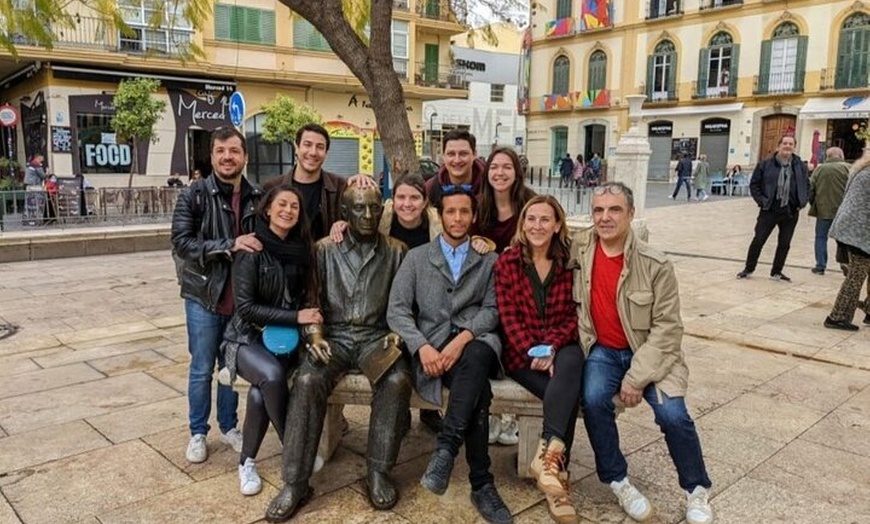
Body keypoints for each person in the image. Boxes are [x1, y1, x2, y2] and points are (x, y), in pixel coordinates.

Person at [266, 185, 412, 521]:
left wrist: (397, 333)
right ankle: (296, 482)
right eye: (359, 209)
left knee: (398, 380)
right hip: (335, 336)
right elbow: (310, 300)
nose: (368, 216)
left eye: (375, 209)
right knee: (305, 380)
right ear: (344, 215)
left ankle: (378, 470)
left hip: (378, 336)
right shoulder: (323, 250)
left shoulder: (397, 251)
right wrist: (314, 335)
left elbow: (406, 304)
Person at [574, 182, 713, 524]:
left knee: (673, 415)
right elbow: (535, 236)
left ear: (631, 214)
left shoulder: (656, 264)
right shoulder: (579, 250)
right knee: (592, 401)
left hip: (651, 354)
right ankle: (618, 481)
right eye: (598, 210)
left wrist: (636, 379)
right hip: (604, 352)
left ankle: (696, 489)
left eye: (614, 210)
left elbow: (668, 330)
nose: (605, 218)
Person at [388, 186, 513, 524]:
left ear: (473, 216)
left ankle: (446, 448)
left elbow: (492, 309)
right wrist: (422, 346)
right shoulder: (417, 258)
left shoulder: (489, 259)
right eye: (451, 212)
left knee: (474, 354)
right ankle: (481, 483)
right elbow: (397, 311)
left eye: (464, 212)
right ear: (439, 215)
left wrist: (462, 339)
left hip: (476, 341)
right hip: (432, 350)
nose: (457, 219)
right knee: (477, 392)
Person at [220, 184, 321, 495]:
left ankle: (246, 462)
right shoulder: (252, 250)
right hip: (246, 339)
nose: (288, 210)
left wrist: (305, 322)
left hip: (285, 340)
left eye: (294, 206)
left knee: (258, 395)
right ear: (267, 209)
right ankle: (294, 446)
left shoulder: (303, 251)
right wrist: (296, 317)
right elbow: (247, 309)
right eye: (282, 204)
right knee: (272, 375)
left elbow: (307, 297)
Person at [170, 126, 262, 464]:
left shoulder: (256, 196)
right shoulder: (193, 195)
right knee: (202, 367)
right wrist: (228, 245)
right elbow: (181, 242)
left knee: (232, 366)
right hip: (204, 298)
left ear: (245, 157)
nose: (227, 157)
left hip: (242, 300)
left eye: (234, 151)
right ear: (212, 156)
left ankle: (229, 425)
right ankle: (197, 432)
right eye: (221, 150)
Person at [330, 173, 444, 433]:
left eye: (415, 197)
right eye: (401, 197)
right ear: (393, 200)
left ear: (425, 201)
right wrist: (341, 224)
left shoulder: (437, 227)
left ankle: (428, 409)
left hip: (425, 304)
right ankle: (397, 413)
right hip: (391, 307)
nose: (407, 204)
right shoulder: (381, 220)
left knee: (425, 344)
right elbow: (359, 220)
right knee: (395, 357)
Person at [495, 195, 582, 524]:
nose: (537, 226)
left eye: (545, 220)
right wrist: (536, 350)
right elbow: (507, 318)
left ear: (557, 224)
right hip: (520, 355)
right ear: (522, 224)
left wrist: (553, 348)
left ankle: (549, 457)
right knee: (568, 392)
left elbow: (575, 316)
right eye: (531, 219)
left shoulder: (569, 263)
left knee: (572, 362)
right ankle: (559, 482)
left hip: (560, 349)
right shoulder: (508, 263)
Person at [475, 146, 535, 446]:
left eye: (506, 167)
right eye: (494, 167)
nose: (499, 173)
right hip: (487, 289)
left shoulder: (530, 204)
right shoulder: (479, 205)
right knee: (488, 346)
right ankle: (493, 415)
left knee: (519, 347)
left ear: (516, 172)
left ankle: (512, 417)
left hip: (522, 291)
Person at [736, 135, 809, 282]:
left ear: (794, 147)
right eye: (785, 143)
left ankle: (777, 271)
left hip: (790, 210)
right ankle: (748, 268)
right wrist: (762, 201)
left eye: (791, 144)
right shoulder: (766, 164)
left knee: (784, 243)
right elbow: (754, 185)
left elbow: (807, 184)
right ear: (778, 146)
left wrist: (803, 200)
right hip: (769, 209)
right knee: (758, 240)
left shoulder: (799, 165)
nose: (787, 146)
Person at [264, 123, 348, 240]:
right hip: (283, 257)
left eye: (320, 147)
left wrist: (346, 225)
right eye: (307, 145)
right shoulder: (271, 188)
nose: (313, 152)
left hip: (325, 256)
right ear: (296, 147)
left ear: (326, 153)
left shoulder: (340, 186)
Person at [823, 150, 870, 331]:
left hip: (850, 228)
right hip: (859, 233)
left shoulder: (861, 168)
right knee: (856, 276)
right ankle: (837, 317)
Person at [808, 147, 850, 275]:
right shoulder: (849, 168)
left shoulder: (819, 169)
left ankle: (820, 266)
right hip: (844, 211)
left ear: (827, 156)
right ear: (841, 155)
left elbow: (811, 189)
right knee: (844, 238)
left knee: (821, 237)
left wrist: (813, 204)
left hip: (824, 210)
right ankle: (845, 262)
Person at [424, 129, 487, 204]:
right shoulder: (430, 188)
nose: (457, 160)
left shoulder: (490, 186)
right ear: (444, 156)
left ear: (474, 154)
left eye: (463, 154)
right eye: (451, 154)